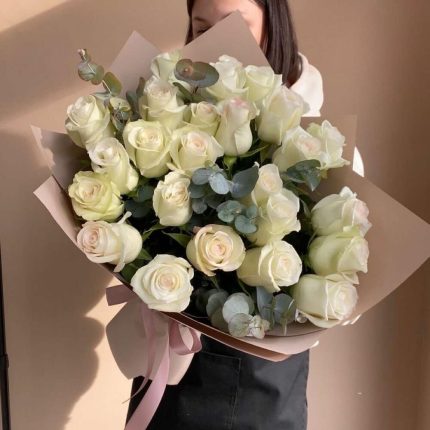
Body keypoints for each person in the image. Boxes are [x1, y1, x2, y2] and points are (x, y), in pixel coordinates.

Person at [127, 1, 324, 428]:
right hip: (172, 358)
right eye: (201, 28)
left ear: (273, 26)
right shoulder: (174, 118)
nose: (217, 41)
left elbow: (343, 288)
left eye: (236, 25)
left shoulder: (316, 140)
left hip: (260, 378)